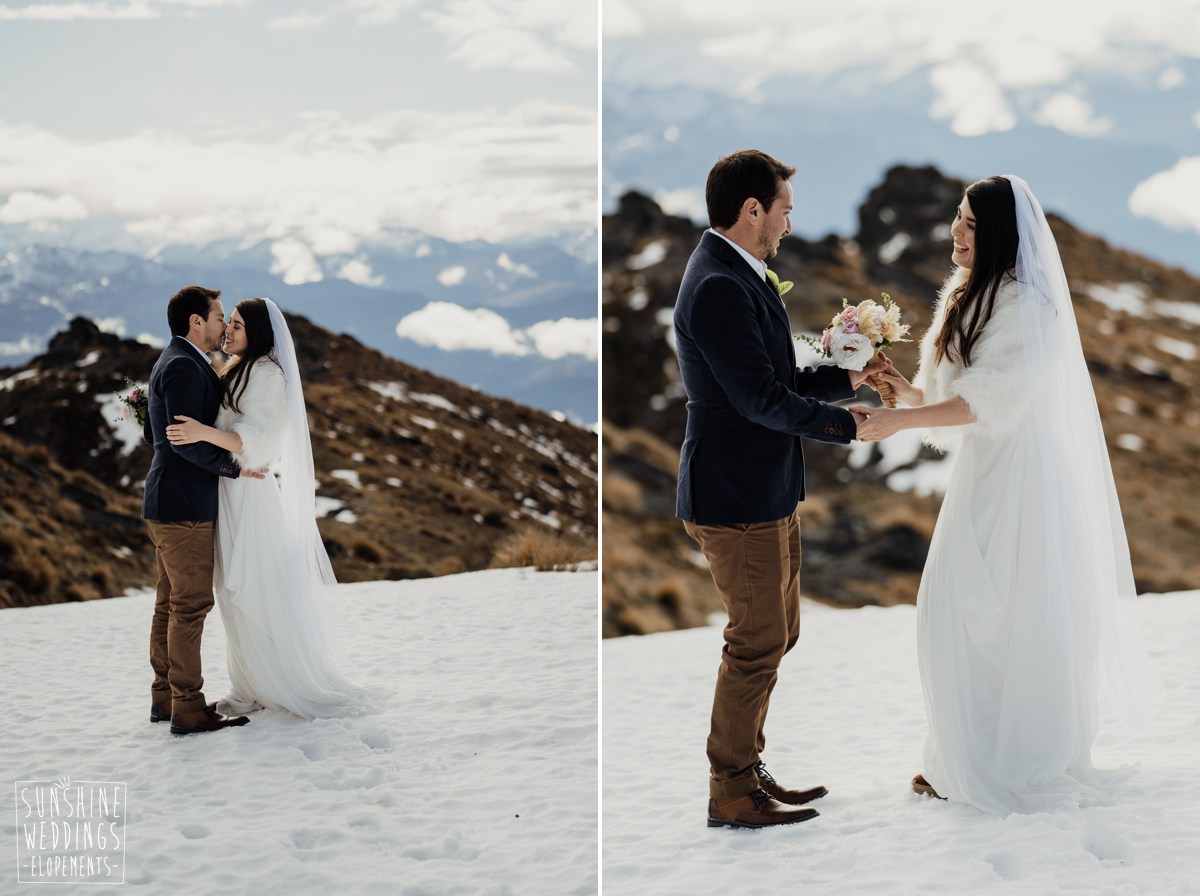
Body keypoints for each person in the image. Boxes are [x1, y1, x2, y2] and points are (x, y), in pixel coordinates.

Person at [854, 175, 1153, 814]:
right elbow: (950, 397)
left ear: (998, 233)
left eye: (968, 223)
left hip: (1022, 479)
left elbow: (988, 402)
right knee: (953, 611)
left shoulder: (1026, 307)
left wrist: (902, 423)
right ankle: (962, 755)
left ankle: (1006, 760)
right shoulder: (966, 292)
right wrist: (897, 391)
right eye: (957, 219)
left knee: (1007, 616)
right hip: (983, 476)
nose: (955, 233)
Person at [673, 149, 886, 829]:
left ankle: (747, 769)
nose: (790, 225)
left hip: (764, 491)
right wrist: (843, 426)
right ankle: (731, 788)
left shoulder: (739, 273)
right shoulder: (715, 287)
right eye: (785, 210)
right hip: (734, 497)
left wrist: (845, 377)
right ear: (752, 210)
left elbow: (780, 377)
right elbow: (757, 399)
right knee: (757, 640)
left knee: (779, 632)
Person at [166, 298, 373, 720]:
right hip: (228, 491)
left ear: (257, 332)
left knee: (252, 593)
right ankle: (250, 683)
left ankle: (271, 681)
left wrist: (199, 431)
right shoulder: (237, 368)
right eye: (229, 323)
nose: (228, 331)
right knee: (231, 594)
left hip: (249, 497)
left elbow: (252, 442)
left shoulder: (268, 376)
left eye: (237, 326)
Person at [142, 285, 259, 736]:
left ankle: (165, 695)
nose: (222, 326)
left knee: (169, 603)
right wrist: (234, 467)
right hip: (184, 504)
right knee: (190, 605)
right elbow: (184, 442)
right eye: (217, 317)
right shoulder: (184, 367)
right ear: (196, 322)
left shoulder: (177, 359)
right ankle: (187, 706)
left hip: (167, 500)